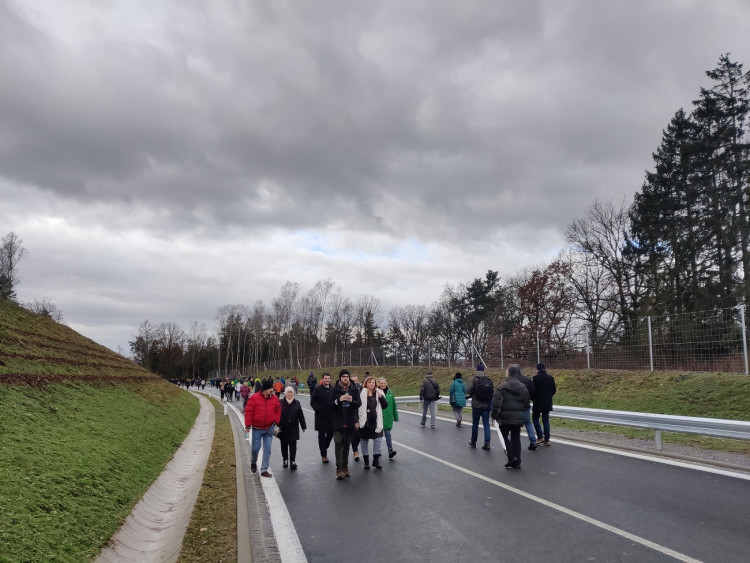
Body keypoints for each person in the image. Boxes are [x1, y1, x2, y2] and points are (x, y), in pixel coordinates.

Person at [492, 364, 530, 470]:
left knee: (503, 437)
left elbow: (496, 405)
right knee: (516, 438)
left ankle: (511, 456)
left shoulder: (501, 387)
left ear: (507, 373)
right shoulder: (523, 387)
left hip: (504, 418)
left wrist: (494, 416)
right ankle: (517, 462)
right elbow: (526, 404)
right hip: (518, 417)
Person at [245, 379, 281, 478]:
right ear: (265, 389)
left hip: (269, 428)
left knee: (267, 450)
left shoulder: (274, 398)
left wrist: (275, 421)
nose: (272, 390)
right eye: (270, 388)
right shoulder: (254, 398)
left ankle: (264, 469)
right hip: (257, 429)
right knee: (255, 449)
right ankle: (253, 462)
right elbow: (248, 412)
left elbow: (278, 410)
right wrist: (248, 426)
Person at [329, 369, 362, 480]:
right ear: (340, 378)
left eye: (347, 376)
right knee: (338, 444)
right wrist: (339, 400)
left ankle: (345, 467)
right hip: (337, 423)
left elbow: (359, 404)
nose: (345, 378)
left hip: (349, 422)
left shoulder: (354, 389)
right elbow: (330, 404)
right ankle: (338, 469)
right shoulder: (334, 389)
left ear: (349, 377)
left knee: (347, 445)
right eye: (343, 376)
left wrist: (352, 401)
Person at [357, 375, 389, 470]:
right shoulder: (361, 393)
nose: (371, 384)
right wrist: (356, 421)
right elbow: (357, 407)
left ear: (375, 384)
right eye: (369, 382)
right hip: (364, 421)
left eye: (373, 382)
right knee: (364, 441)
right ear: (366, 383)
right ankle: (366, 462)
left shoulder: (379, 392)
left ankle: (376, 461)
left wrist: (381, 398)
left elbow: (385, 406)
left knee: (378, 440)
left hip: (376, 421)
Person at [278, 387, 306, 470]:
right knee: (284, 444)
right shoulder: (280, 402)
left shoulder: (297, 403)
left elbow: (301, 415)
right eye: (288, 392)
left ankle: (292, 461)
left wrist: (303, 426)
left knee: (293, 445)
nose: (290, 394)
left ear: (293, 393)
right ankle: (285, 460)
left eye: (291, 392)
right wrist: (275, 425)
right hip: (283, 427)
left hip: (294, 427)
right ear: (285, 393)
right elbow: (276, 414)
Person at [466, 363, 493, 450]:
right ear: (483, 370)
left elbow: (468, 389)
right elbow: (492, 392)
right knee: (486, 424)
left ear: (476, 370)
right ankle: (487, 443)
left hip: (476, 405)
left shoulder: (474, 379)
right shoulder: (487, 380)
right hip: (486, 405)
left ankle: (473, 442)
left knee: (475, 424)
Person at [311, 372, 335, 463]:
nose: (327, 380)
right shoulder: (317, 389)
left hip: (331, 417)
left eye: (328, 378)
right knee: (321, 435)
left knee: (330, 434)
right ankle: (324, 455)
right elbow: (312, 402)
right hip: (320, 417)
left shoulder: (333, 388)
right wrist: (319, 410)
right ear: (323, 379)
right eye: (325, 378)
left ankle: (324, 447)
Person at [532, 363, 557, 446]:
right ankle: (547, 439)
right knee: (546, 420)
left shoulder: (535, 378)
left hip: (537, 402)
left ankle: (540, 437)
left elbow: (533, 391)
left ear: (537, 369)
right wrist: (548, 397)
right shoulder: (551, 378)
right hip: (547, 402)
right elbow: (553, 390)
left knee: (535, 419)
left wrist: (533, 398)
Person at [515, 365, 538, 450]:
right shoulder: (527, 380)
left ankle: (515, 442)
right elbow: (533, 392)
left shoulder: (512, 381)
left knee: (515, 425)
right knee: (528, 423)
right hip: (525, 405)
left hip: (515, 406)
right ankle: (533, 441)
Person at [378, 377, 399, 459]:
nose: (383, 385)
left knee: (388, 434)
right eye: (381, 383)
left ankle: (390, 450)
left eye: (384, 383)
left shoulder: (390, 392)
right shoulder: (376, 392)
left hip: (387, 417)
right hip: (379, 417)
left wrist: (395, 416)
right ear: (378, 384)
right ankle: (378, 452)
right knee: (378, 436)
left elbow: (394, 405)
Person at [350, 374, 364, 460]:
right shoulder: (349, 389)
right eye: (353, 381)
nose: (355, 382)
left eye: (356, 380)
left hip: (362, 413)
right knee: (354, 434)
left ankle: (355, 449)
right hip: (352, 413)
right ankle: (355, 451)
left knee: (360, 434)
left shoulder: (362, 389)